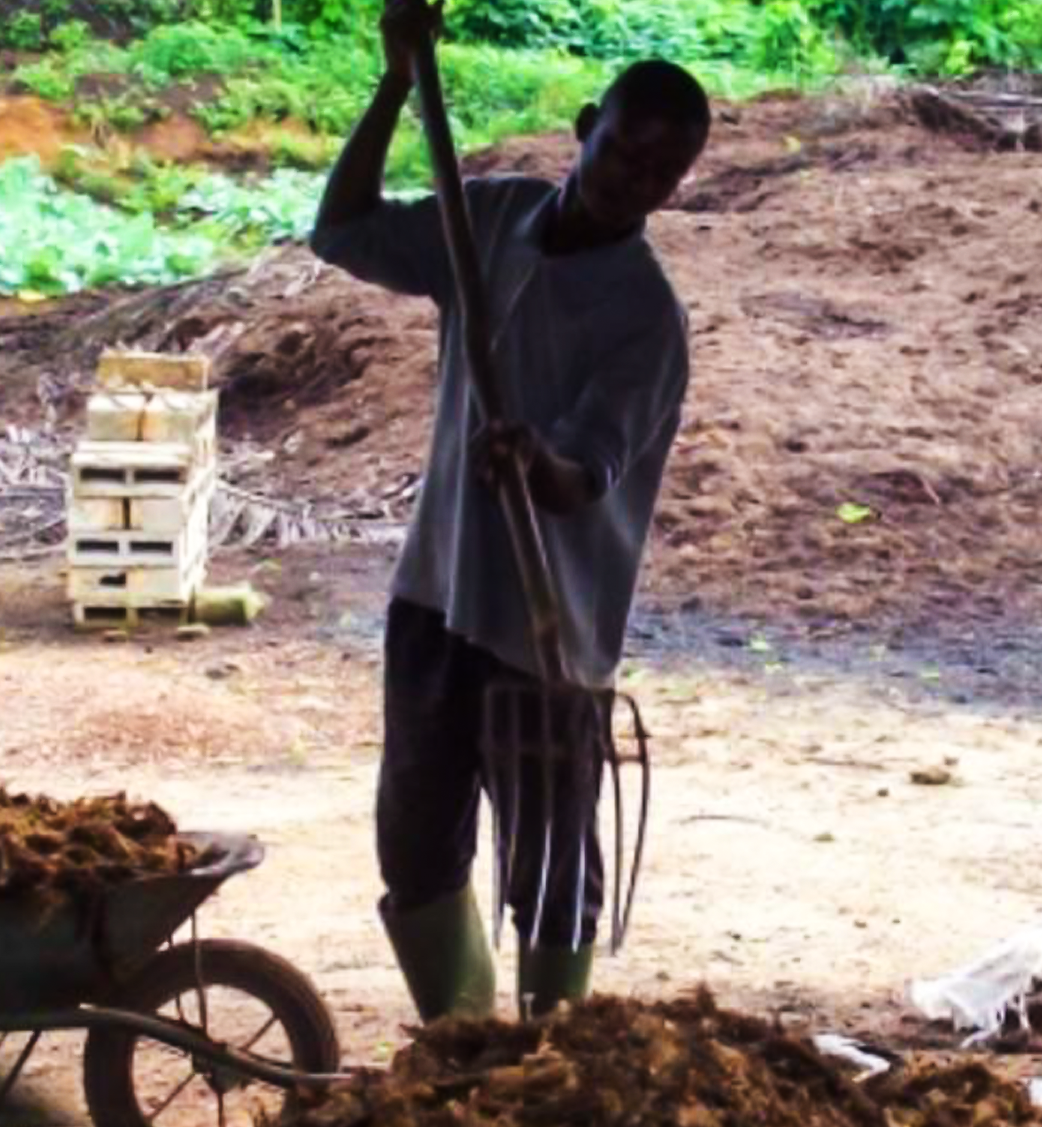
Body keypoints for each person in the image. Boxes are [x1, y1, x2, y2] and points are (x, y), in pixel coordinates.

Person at [309, 0, 710, 1021]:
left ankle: (550, 1057)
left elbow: (590, 472)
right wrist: (398, 81)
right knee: (414, 843)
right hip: (435, 593)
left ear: (678, 185)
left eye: (660, 171)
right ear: (584, 127)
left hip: (545, 636)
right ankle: (461, 1046)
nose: (633, 178)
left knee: (549, 873)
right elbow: (339, 227)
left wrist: (537, 459)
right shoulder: (483, 217)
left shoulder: (645, 318)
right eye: (622, 148)